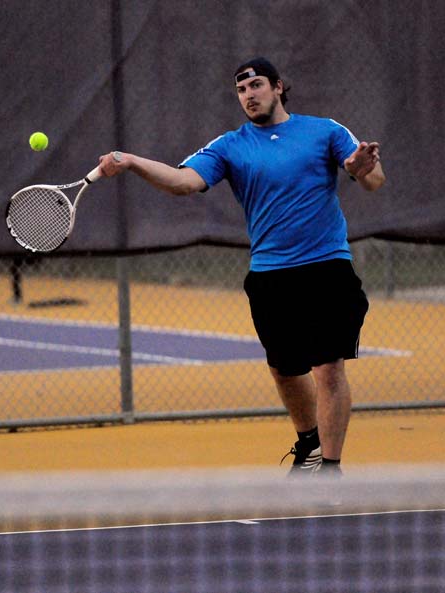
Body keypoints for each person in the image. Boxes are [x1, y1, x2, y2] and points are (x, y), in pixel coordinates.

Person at [97, 57, 385, 477]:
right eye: (241, 90)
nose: (249, 95)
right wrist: (132, 161)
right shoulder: (230, 145)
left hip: (327, 268)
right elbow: (183, 183)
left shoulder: (325, 130)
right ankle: (310, 445)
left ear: (279, 87)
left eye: (256, 86)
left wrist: (362, 169)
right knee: (286, 370)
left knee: (328, 366)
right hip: (270, 275)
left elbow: (373, 179)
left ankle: (331, 468)